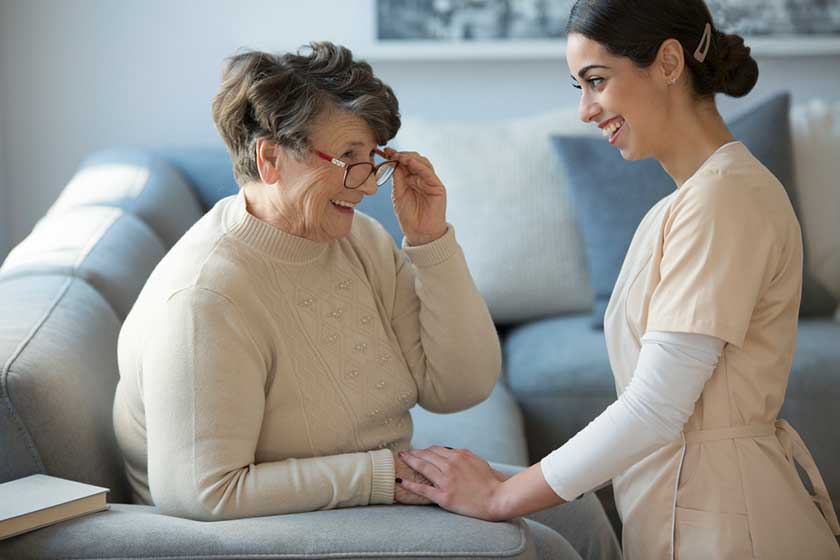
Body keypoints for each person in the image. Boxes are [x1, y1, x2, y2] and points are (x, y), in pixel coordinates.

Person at [112, 42, 620, 559]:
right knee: (539, 547)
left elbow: (458, 387)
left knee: (576, 510)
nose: (370, 187)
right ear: (270, 159)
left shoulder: (360, 240)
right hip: (252, 530)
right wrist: (380, 476)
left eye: (371, 159)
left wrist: (430, 240)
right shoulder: (204, 297)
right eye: (348, 158)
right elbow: (203, 492)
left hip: (360, 496)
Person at [397, 1, 840, 559]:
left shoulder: (723, 201)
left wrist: (501, 495)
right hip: (695, 510)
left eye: (597, 81)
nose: (585, 110)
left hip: (729, 529)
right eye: (580, 87)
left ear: (669, 63)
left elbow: (655, 406)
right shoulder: (688, 202)